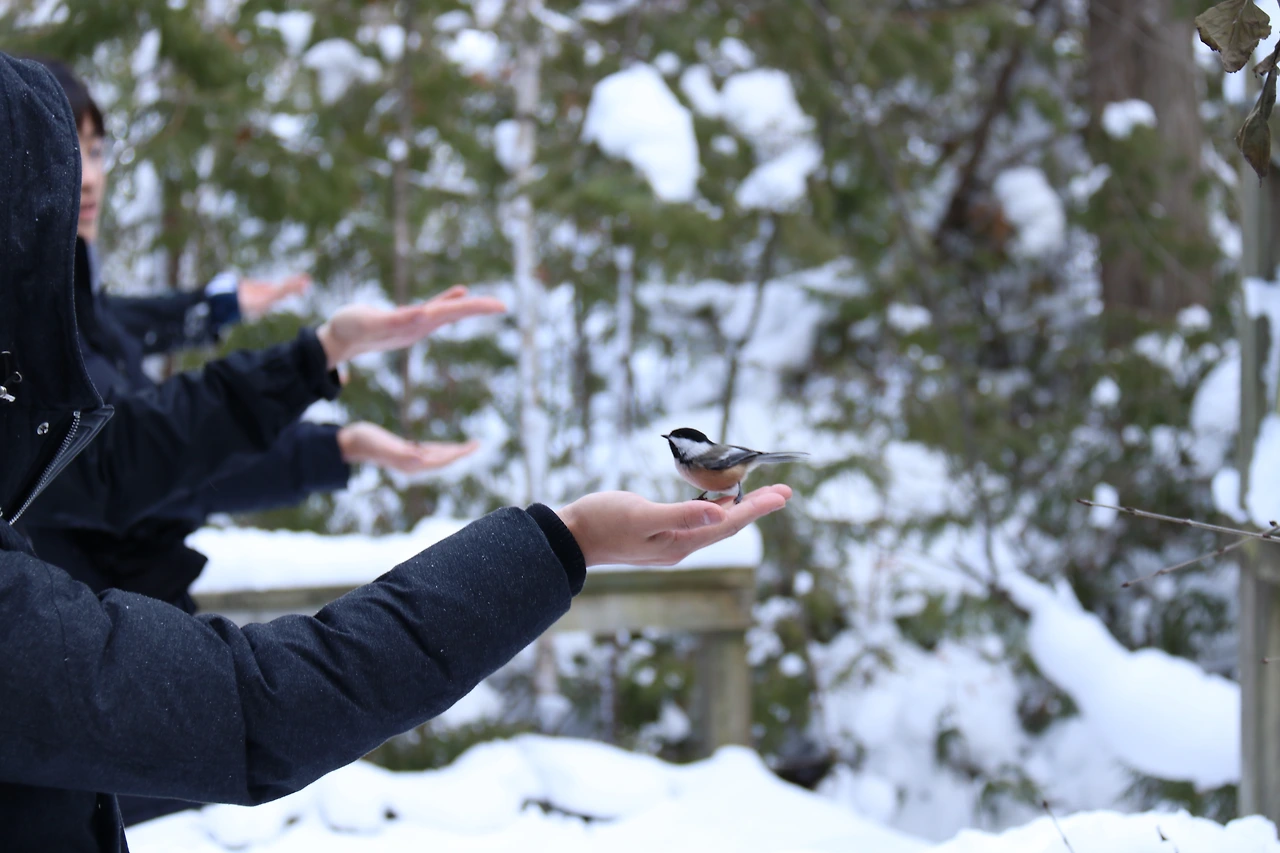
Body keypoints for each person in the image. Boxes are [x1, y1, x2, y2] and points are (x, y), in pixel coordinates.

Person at [0, 53, 792, 852]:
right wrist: (565, 542)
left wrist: (327, 417)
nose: (85, 179)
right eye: (56, 166)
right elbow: (260, 701)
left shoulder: (63, 350)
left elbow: (123, 459)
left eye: (95, 149)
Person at [20, 59, 481, 617]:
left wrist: (335, 448)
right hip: (74, 640)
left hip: (117, 625)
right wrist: (314, 358)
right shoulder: (23, 332)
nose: (89, 176)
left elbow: (175, 468)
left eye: (95, 151)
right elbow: (121, 462)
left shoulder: (69, 298)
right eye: (65, 151)